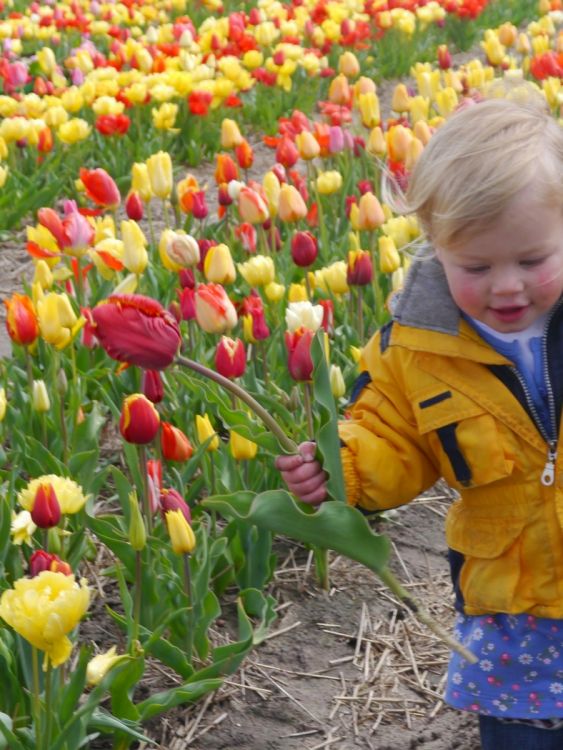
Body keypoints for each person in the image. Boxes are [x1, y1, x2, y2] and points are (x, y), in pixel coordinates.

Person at [276, 92, 563, 750]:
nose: (507, 287)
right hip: (508, 600)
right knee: (523, 739)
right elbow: (388, 437)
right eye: (475, 266)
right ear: (435, 248)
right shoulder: (412, 349)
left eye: (530, 260)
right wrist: (337, 464)